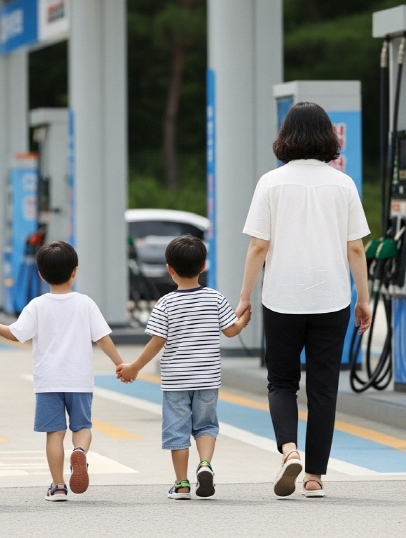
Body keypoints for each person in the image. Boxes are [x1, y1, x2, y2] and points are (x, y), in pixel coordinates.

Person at [236, 102, 372, 498]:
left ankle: (289, 450)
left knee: (281, 381)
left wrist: (244, 296)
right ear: (328, 136)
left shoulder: (271, 183)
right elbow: (357, 249)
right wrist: (363, 299)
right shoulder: (342, 184)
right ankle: (314, 476)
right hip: (332, 298)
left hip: (281, 298)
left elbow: (259, 245)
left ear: (286, 135)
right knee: (324, 387)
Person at [0, 241, 126, 502]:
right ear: (75, 272)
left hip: (48, 381)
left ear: (41, 275)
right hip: (79, 380)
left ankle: (58, 486)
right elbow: (103, 338)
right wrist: (119, 363)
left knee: (55, 433)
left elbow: (15, 334)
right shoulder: (85, 303)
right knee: (82, 426)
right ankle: (79, 450)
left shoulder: (37, 305)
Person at [118, 235, 251, 500]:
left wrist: (134, 367)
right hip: (207, 379)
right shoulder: (215, 298)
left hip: (176, 381)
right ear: (203, 266)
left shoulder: (166, 303)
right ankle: (205, 464)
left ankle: (181, 484)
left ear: (170, 268)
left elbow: (157, 342)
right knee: (205, 427)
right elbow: (230, 331)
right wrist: (243, 317)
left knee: (177, 432)